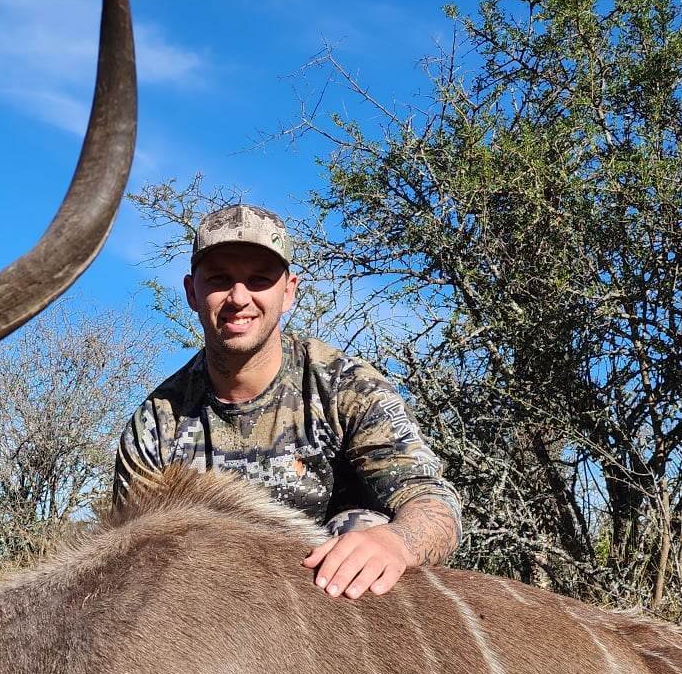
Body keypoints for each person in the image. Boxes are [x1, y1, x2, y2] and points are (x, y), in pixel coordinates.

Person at [112, 204, 463, 599]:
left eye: (259, 279)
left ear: (289, 291)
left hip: (333, 613)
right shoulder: (157, 423)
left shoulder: (346, 386)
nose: (239, 298)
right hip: (209, 610)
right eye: (220, 279)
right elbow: (131, 555)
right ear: (193, 291)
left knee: (360, 526)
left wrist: (397, 542)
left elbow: (434, 505)